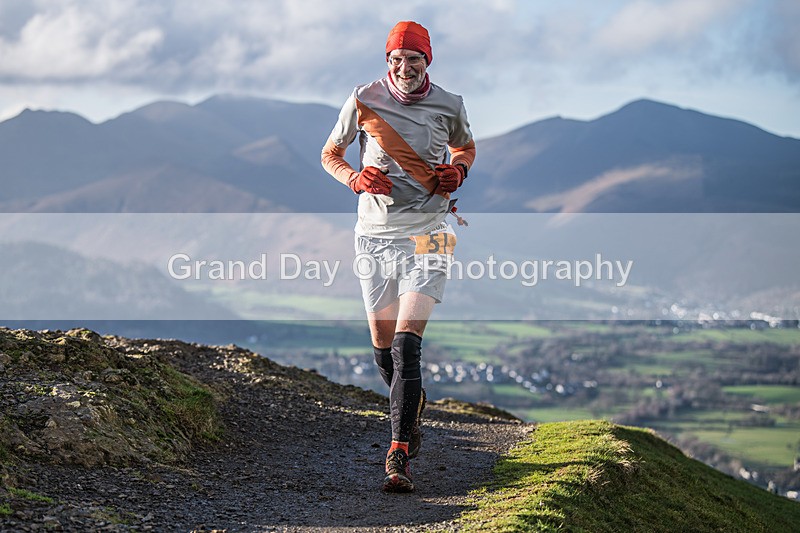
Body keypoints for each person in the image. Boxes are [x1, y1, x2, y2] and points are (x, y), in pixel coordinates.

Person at [321, 20, 475, 493]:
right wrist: (354, 178)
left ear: (428, 61)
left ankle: (399, 454)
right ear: (386, 62)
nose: (403, 67)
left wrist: (458, 171)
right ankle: (412, 407)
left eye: (413, 59)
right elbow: (331, 153)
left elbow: (464, 147)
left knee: (408, 345)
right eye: (395, 59)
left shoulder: (450, 104)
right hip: (374, 237)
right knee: (384, 353)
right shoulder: (363, 98)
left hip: (430, 233)